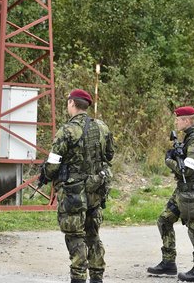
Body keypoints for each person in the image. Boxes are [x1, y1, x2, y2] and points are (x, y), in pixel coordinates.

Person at [39, 89, 115, 283]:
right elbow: (109, 155)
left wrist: (46, 175)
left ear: (72, 103)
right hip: (96, 189)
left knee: (75, 235)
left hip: (74, 193)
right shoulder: (102, 127)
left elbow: (53, 162)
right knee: (93, 234)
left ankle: (79, 277)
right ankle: (97, 276)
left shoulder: (67, 130)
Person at [147, 106, 194, 282]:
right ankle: (169, 263)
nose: (176, 121)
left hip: (192, 192)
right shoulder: (190, 137)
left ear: (187, 120)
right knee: (164, 220)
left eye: (178, 119)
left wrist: (170, 161)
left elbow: (188, 171)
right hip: (182, 191)